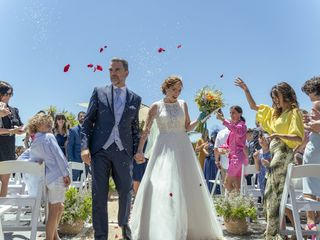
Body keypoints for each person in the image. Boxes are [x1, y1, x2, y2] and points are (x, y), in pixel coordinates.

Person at [131, 76, 223, 240]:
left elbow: (187, 128)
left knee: (187, 184)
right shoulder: (156, 106)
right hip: (164, 148)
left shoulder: (183, 104)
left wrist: (202, 117)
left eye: (179, 90)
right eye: (174, 89)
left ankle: (190, 227)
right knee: (164, 184)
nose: (177, 93)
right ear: (165, 88)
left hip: (183, 146)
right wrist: (139, 150)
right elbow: (146, 131)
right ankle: (163, 229)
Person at [235, 77, 304, 239]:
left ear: (286, 96)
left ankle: (273, 234)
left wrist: (277, 134)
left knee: (272, 196)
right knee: (269, 197)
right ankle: (279, 233)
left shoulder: (294, 113)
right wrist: (246, 90)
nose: (274, 100)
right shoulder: (275, 113)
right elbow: (253, 106)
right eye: (273, 98)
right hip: (274, 155)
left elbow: (298, 138)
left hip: (284, 154)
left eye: (277, 97)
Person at [81, 58, 141, 240]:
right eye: (110, 69)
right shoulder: (99, 92)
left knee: (125, 190)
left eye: (117, 69)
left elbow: (134, 128)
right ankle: (100, 235)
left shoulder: (135, 99)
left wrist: (137, 150)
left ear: (126, 73)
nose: (113, 73)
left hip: (123, 152)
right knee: (99, 194)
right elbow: (87, 122)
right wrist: (85, 147)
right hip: (100, 151)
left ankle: (124, 225)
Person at [26, 113, 71, 240]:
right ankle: (49, 238)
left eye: (49, 123)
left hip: (47, 179)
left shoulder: (34, 142)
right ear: (38, 125)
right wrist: (66, 173)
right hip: (57, 176)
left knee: (59, 207)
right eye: (46, 122)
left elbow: (33, 161)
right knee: (54, 210)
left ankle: (55, 236)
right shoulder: (49, 136)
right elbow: (59, 156)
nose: (49, 124)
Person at [301, 77, 320, 234]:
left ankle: (310, 223)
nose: (308, 95)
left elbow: (314, 127)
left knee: (308, 187)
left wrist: (308, 125)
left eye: (309, 92)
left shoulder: (316, 104)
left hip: (314, 149)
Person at [0, 81, 24, 197]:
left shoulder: (14, 110)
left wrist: (21, 129)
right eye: (6, 93)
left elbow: (21, 125)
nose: (8, 96)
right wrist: (11, 131)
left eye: (11, 94)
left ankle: (1, 212)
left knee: (5, 182)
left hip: (8, 148)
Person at [216, 105, 248, 193]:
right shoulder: (235, 127)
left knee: (226, 183)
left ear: (240, 113)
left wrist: (223, 119)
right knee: (237, 186)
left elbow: (236, 130)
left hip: (237, 158)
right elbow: (228, 144)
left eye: (233, 113)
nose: (231, 115)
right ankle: (239, 204)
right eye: (230, 113)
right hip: (234, 158)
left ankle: (235, 203)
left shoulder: (242, 126)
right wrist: (222, 149)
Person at [67, 111, 88, 181]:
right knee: (74, 183)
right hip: (75, 160)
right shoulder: (73, 130)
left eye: (84, 116)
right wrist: (71, 160)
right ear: (78, 118)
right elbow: (69, 147)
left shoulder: (89, 131)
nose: (83, 117)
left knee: (84, 183)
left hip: (86, 161)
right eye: (81, 116)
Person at [214, 127, 230, 193]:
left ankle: (227, 201)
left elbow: (216, 149)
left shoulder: (221, 133)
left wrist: (217, 161)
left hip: (225, 164)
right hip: (238, 164)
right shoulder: (239, 131)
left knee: (226, 186)